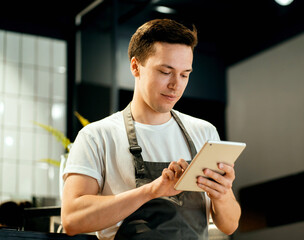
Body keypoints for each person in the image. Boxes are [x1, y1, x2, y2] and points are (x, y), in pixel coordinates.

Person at [61, 18, 241, 240]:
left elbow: (230, 225)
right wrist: (152, 191)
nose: (176, 85)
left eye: (185, 74)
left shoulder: (205, 133)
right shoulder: (97, 136)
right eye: (166, 72)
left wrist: (222, 193)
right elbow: (72, 219)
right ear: (136, 66)